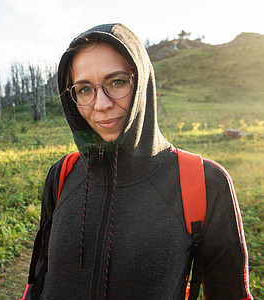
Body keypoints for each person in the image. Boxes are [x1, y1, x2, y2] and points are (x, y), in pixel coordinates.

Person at [22, 23, 253, 299]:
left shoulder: (204, 184)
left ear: (141, 82)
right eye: (84, 89)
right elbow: (39, 278)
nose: (101, 104)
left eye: (117, 82)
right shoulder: (63, 174)